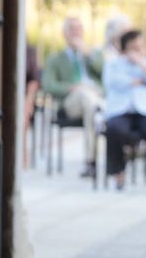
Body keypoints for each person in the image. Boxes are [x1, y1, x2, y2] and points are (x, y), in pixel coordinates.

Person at [102, 29, 146, 191]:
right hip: (122, 110)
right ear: (124, 49)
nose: (138, 51)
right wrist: (140, 81)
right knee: (114, 129)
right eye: (133, 48)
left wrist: (143, 68)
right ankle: (118, 173)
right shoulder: (113, 65)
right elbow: (113, 82)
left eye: (141, 47)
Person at [39, 17, 105, 178]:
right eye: (73, 29)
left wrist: (89, 55)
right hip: (71, 101)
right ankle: (100, 117)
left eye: (79, 29)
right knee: (86, 98)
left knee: (90, 104)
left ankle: (91, 162)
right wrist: (71, 87)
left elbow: (106, 75)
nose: (77, 33)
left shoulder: (93, 55)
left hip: (93, 97)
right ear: (65, 34)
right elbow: (48, 85)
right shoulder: (56, 59)